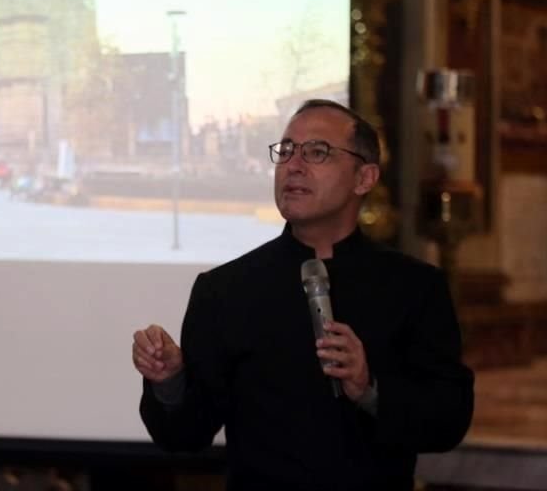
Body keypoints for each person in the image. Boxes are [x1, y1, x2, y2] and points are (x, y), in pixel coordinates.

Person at [132, 99, 473, 491]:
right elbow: (184, 436)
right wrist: (171, 382)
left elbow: (449, 420)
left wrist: (370, 389)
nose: (293, 165)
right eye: (286, 151)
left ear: (364, 178)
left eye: (316, 152)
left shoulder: (415, 288)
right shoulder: (225, 290)